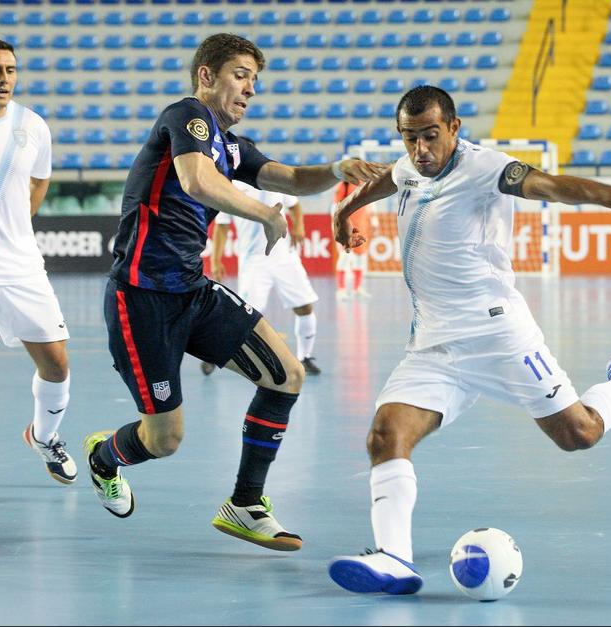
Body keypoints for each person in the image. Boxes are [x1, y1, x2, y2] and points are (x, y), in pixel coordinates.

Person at [327, 86, 611, 594]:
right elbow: (387, 181)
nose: (420, 150)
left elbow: (551, 185)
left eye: (430, 136)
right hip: (433, 344)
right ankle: (393, 559)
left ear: (454, 127)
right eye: (409, 138)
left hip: (498, 334)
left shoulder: (486, 168)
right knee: (385, 437)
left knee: (577, 434)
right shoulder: (410, 164)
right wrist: (345, 213)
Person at [83, 33, 386, 551]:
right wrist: (264, 212)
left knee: (286, 375)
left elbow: (288, 177)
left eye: (255, 81)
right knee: (164, 440)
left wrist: (337, 170)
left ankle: (245, 504)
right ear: (207, 75)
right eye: (241, 75)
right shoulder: (186, 117)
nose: (250, 90)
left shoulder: (232, 147)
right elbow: (197, 180)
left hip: (192, 291)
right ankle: (105, 456)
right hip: (139, 299)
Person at [0, 38, 77, 494]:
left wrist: (16, 228)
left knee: (57, 365)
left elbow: (39, 180)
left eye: (10, 70)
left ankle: (44, 436)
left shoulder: (32, 125)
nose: (3, 79)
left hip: (21, 264)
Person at [206, 171, 323, 376]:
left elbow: (294, 206)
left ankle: (305, 357)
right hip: (254, 262)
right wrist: (216, 260)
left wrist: (299, 228)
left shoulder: (273, 180)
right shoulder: (228, 187)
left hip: (284, 258)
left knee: (305, 306)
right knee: (244, 316)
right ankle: (214, 356)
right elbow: (222, 227)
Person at [332, 181, 377, 300]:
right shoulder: (344, 185)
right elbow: (335, 206)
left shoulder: (364, 184)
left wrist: (374, 219)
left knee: (360, 258)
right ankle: (341, 290)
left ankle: (357, 289)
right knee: (344, 257)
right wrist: (337, 226)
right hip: (347, 227)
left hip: (361, 225)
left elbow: (370, 202)